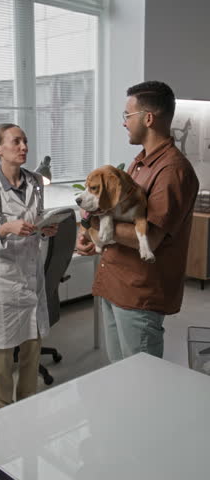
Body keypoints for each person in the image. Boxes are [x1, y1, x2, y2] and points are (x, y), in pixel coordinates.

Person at [76, 81, 199, 363]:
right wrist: (90, 232)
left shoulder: (172, 171)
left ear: (148, 118)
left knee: (142, 383)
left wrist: (101, 229)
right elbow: (115, 213)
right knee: (120, 375)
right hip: (115, 285)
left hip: (139, 295)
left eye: (126, 116)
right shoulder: (139, 164)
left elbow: (150, 239)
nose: (124, 123)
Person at [0, 123, 58, 408]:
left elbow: (36, 220)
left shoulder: (35, 182)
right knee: (4, 359)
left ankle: (28, 410)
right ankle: (2, 413)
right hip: (5, 284)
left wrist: (44, 229)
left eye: (25, 141)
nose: (24, 147)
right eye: (16, 142)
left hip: (32, 279)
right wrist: (6, 229)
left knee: (31, 354)